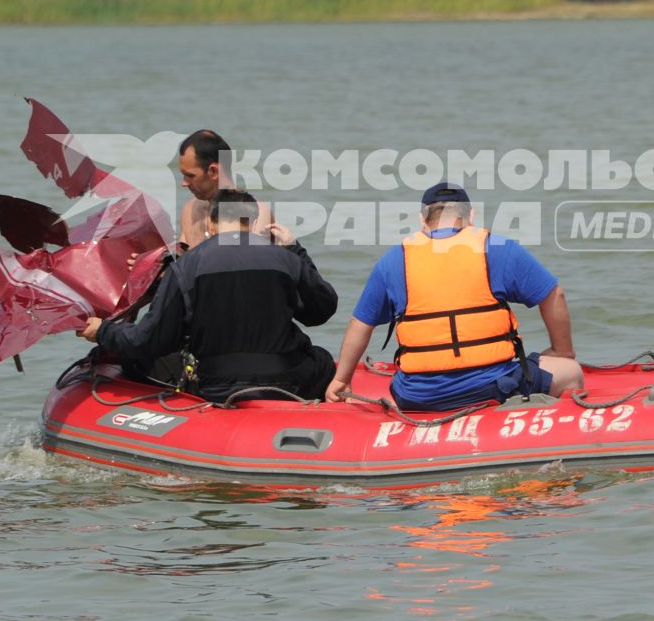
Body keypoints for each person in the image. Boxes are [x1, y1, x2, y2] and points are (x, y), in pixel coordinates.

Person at [327, 183, 584, 410]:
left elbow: (360, 324)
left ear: (422, 219)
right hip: (493, 387)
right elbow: (555, 295)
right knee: (570, 371)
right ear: (470, 217)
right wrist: (563, 351)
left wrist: (341, 380)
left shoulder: (395, 259)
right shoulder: (497, 248)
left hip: (417, 396)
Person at [81, 189, 337, 401]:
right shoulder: (286, 258)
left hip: (218, 386)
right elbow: (322, 310)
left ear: (210, 223)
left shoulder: (186, 265)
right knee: (323, 360)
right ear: (251, 221)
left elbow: (150, 340)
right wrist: (295, 249)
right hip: (288, 378)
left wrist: (103, 332)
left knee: (142, 362)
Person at [174, 129, 271, 251]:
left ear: (214, 171)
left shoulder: (258, 214)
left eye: (190, 176)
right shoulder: (189, 210)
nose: (184, 183)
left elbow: (256, 264)